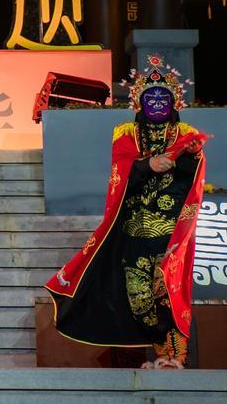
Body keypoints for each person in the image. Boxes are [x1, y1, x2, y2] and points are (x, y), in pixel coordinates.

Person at [45, 56, 209, 369]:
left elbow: (193, 176)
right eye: (151, 98)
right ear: (139, 102)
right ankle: (159, 351)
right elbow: (120, 170)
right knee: (139, 296)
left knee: (169, 290)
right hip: (135, 230)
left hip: (170, 233)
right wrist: (147, 164)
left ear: (174, 101)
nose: (157, 103)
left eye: (163, 98)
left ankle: (176, 356)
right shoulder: (124, 132)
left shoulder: (186, 132)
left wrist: (191, 155)